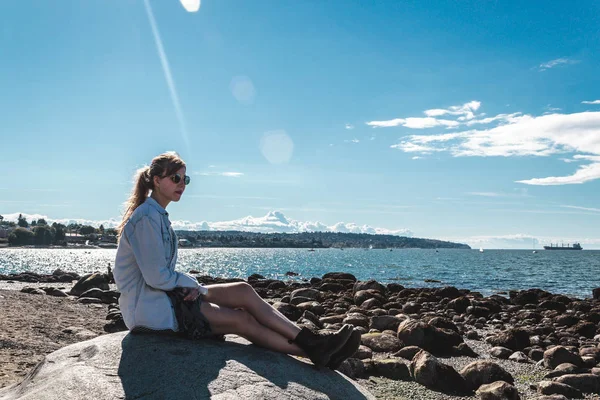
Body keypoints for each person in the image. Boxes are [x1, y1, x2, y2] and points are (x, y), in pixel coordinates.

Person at [113, 151, 360, 369]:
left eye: (185, 179)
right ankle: (312, 352)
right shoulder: (146, 218)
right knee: (241, 319)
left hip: (162, 298)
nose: (182, 184)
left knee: (243, 290)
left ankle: (313, 341)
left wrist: (189, 286)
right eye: (175, 178)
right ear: (157, 180)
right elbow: (156, 277)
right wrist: (192, 286)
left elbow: (161, 276)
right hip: (149, 310)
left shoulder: (157, 215)